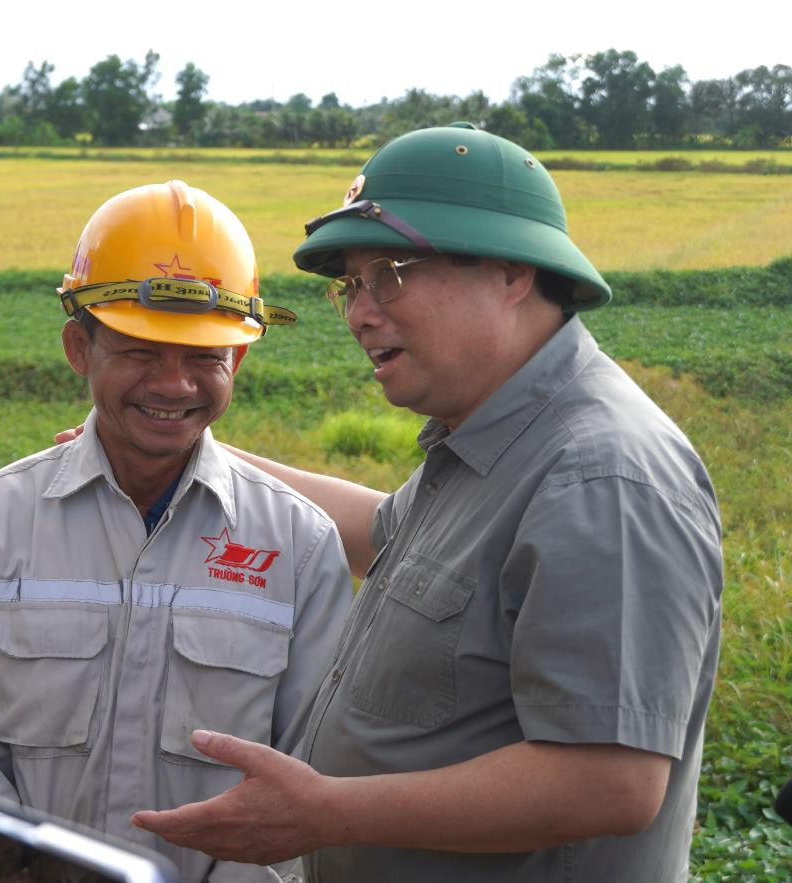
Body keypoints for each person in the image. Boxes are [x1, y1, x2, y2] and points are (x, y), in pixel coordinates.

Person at [132, 124, 724, 882]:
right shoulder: (491, 434)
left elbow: (609, 779)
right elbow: (383, 534)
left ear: (511, 272)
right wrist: (193, 457)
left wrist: (325, 811)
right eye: (351, 284)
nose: (359, 312)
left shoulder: (601, 475)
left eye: (392, 274)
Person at [0, 180, 353, 883]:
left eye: (204, 357)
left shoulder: (298, 546)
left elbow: (302, 791)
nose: (174, 383)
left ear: (237, 363)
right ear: (78, 347)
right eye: (141, 351)